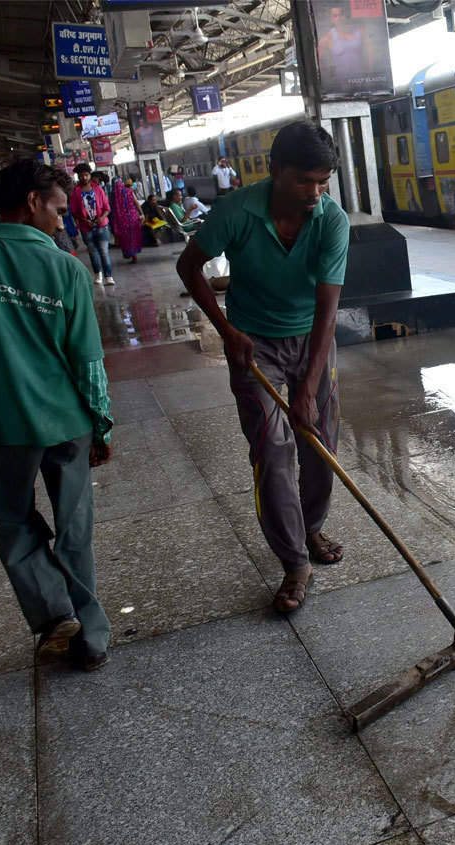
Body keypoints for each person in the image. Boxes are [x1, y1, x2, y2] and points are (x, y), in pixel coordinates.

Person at [0, 159, 114, 672]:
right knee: (75, 528)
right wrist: (101, 421)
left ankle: (56, 618)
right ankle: (92, 637)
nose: (63, 221)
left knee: (11, 522)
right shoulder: (66, 268)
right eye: (58, 209)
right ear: (32, 201)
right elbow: (87, 359)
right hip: (66, 421)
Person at [176, 121, 349, 613]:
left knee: (319, 443)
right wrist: (227, 332)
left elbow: (327, 308)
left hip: (312, 341)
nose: (315, 193)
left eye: (324, 181)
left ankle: (311, 527)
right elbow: (188, 267)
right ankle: (295, 561)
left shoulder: (331, 221)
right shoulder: (236, 211)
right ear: (275, 171)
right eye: (303, 181)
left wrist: (308, 388)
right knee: (272, 451)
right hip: (255, 346)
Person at [68, 163, 114, 286]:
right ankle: (98, 274)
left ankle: (108, 276)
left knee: (104, 251)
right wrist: (84, 221)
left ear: (90, 175)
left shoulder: (98, 189)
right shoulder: (75, 192)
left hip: (102, 226)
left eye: (86, 175)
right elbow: (73, 211)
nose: (84, 178)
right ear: (78, 176)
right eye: (81, 176)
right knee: (93, 252)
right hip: (85, 228)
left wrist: (102, 218)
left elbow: (107, 208)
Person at [111, 176, 143, 263]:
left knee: (126, 238)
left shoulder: (114, 194)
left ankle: (131, 255)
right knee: (133, 236)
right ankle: (134, 255)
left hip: (121, 219)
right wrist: (141, 213)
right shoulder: (129, 191)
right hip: (133, 217)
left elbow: (113, 208)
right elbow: (136, 202)